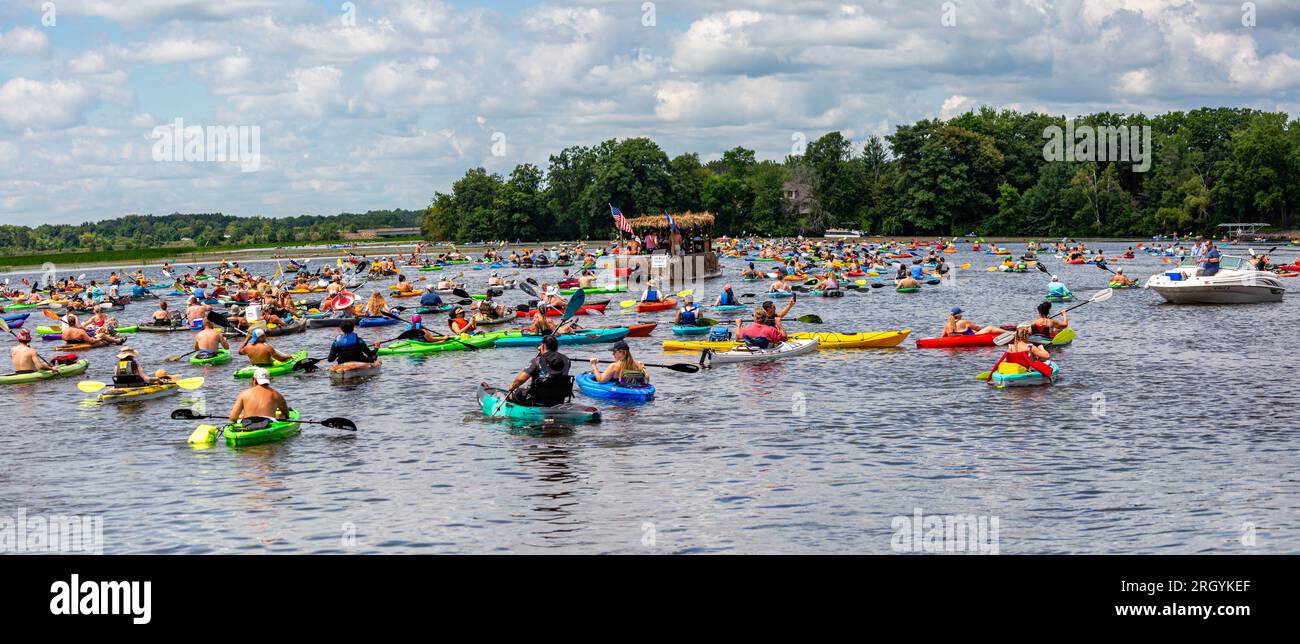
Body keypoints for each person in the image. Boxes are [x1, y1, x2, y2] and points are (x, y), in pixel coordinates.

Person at [505, 335, 573, 407]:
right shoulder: (566, 361)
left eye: (540, 345)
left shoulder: (537, 361)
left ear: (543, 346)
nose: (538, 348)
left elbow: (520, 379)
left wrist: (512, 386)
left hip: (537, 400)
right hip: (558, 399)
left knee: (514, 391)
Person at [984, 324, 1054, 381]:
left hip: (1013, 372)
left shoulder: (1010, 347)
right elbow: (1047, 356)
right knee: (1045, 361)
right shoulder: (1030, 346)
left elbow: (1006, 360)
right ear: (1027, 335)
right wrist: (1041, 347)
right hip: (1026, 372)